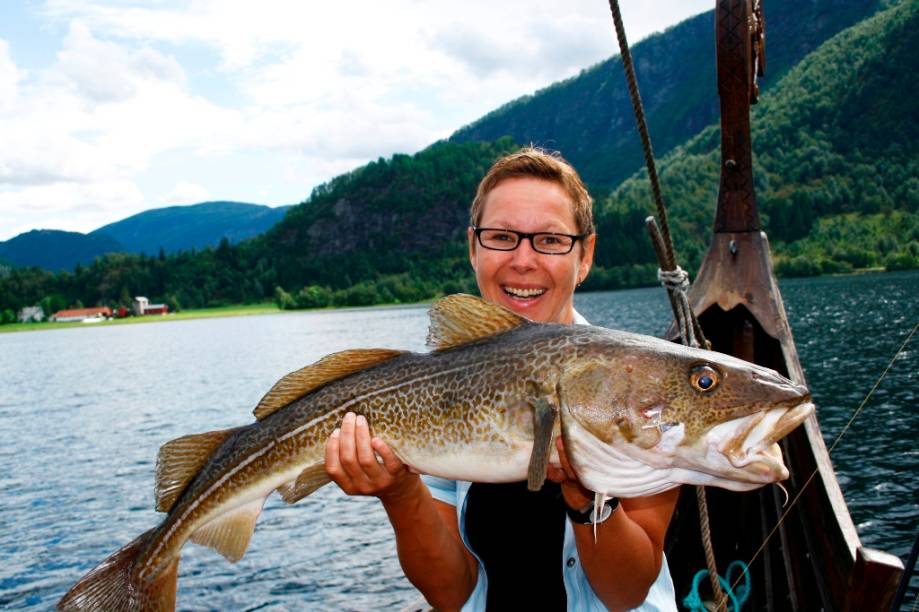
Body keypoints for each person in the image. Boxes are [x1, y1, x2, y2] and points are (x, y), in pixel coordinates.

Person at [324, 148, 679, 611]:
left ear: (585, 255)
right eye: (502, 237)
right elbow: (451, 592)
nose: (523, 260)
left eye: (550, 240)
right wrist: (399, 491)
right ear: (473, 248)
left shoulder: (636, 385)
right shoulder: (439, 387)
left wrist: (587, 499)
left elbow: (625, 592)